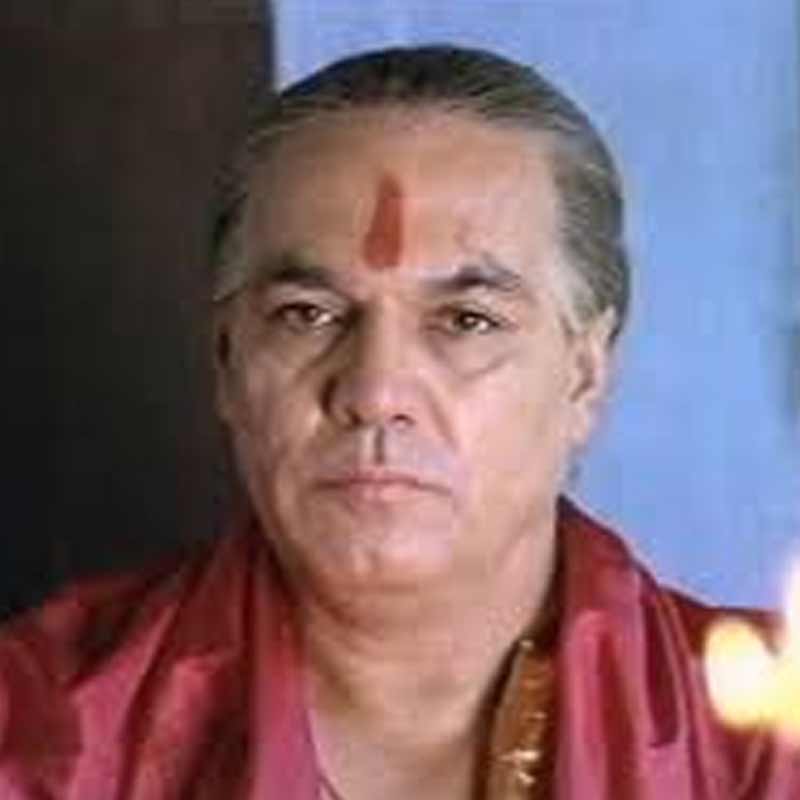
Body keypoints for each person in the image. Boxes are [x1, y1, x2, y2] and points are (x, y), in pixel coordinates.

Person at [0, 45, 797, 799]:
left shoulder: (764, 741)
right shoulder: (40, 733)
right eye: (308, 314)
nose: (377, 390)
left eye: (467, 321)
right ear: (226, 360)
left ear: (585, 376)